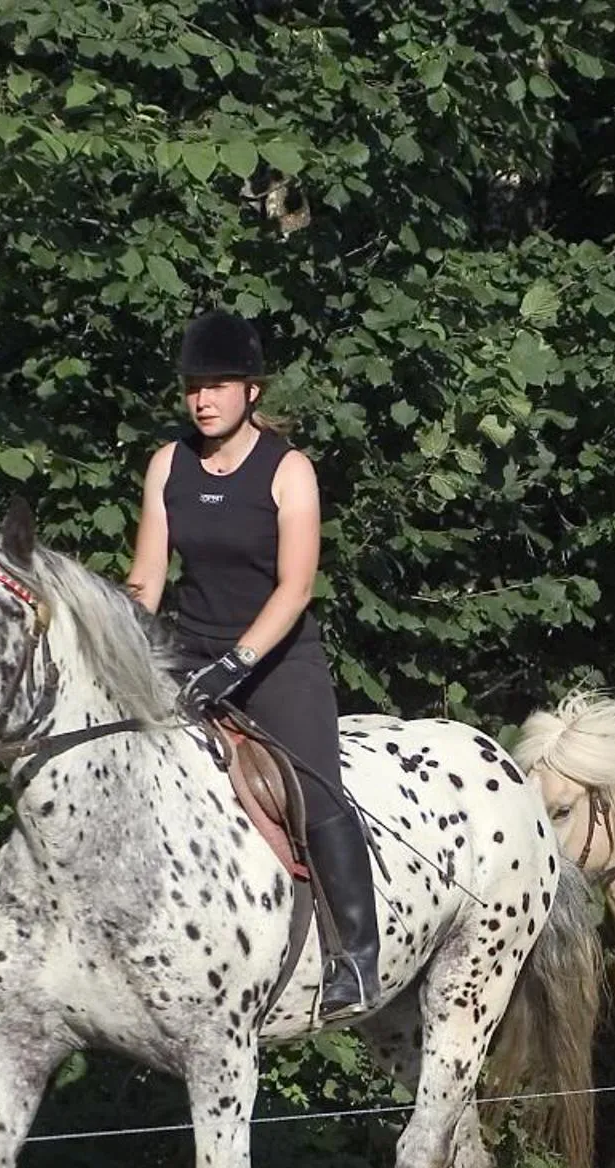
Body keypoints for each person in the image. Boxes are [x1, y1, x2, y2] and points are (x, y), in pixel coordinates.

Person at [126, 309, 379, 1019]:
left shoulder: (289, 471)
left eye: (217, 385)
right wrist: (116, 638)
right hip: (188, 651)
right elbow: (147, 579)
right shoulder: (168, 465)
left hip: (275, 658)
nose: (202, 399)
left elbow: (296, 587)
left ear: (252, 392)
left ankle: (356, 956)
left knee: (317, 788)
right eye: (192, 387)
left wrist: (236, 662)